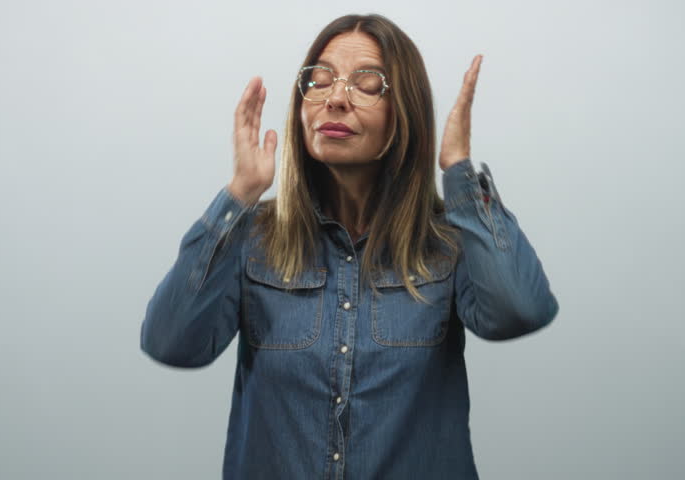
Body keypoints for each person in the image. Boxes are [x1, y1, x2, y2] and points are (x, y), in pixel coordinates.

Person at [140, 13, 559, 480]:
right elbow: (170, 343)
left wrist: (458, 169)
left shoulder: (447, 238)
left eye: (367, 83)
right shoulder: (254, 236)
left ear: (406, 110)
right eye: (318, 80)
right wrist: (239, 195)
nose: (335, 98)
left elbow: (521, 310)